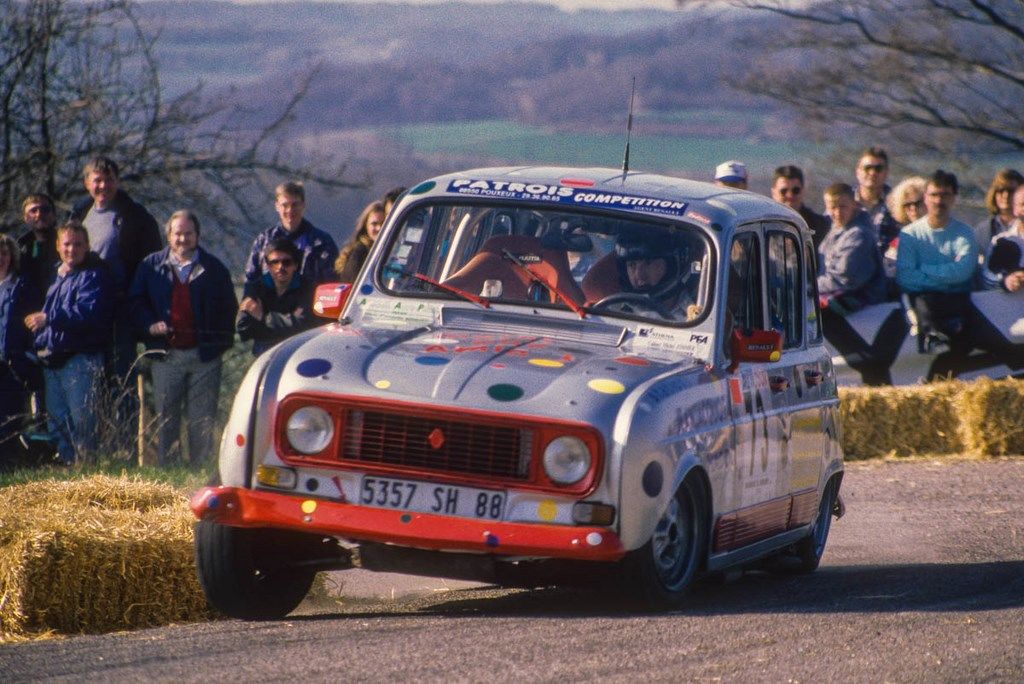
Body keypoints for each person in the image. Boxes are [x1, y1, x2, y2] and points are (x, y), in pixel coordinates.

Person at [129, 210, 238, 466]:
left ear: (197, 236)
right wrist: (149, 325)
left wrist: (217, 346)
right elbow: (134, 302)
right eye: (177, 233)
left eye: (188, 233)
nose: (183, 239)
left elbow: (228, 309)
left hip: (205, 357)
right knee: (167, 418)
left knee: (201, 419)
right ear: (168, 235)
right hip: (166, 356)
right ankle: (167, 472)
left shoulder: (214, 269)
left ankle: (199, 471)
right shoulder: (150, 267)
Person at [69, 156, 162, 448]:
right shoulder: (79, 214)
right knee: (90, 378)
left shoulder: (135, 216)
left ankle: (124, 446)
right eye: (97, 180)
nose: (103, 185)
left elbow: (152, 264)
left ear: (117, 182)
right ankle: (92, 447)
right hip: (87, 308)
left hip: (121, 308)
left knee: (121, 377)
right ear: (87, 183)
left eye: (108, 179)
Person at [24, 221, 114, 465]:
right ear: (57, 246)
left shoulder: (94, 276)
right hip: (53, 359)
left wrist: (48, 318)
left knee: (83, 420)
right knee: (58, 421)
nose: (71, 249)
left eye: (78, 244)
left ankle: (87, 470)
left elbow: (88, 313)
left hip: (80, 358)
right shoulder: (55, 275)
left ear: (87, 247)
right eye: (67, 244)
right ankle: (67, 469)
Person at [896, 170, 978, 373]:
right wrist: (947, 275)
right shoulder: (909, 235)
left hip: (958, 302)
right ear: (925, 197)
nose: (938, 200)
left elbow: (964, 272)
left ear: (954, 198)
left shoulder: (965, 233)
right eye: (934, 195)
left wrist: (923, 270)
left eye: (945, 195)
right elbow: (905, 277)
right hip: (924, 304)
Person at [817, 184, 895, 385]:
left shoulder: (859, 234)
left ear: (854, 204)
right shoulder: (836, 230)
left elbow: (844, 278)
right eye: (831, 207)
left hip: (861, 297)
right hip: (838, 293)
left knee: (818, 315)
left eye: (842, 206)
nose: (837, 213)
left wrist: (807, 286)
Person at [243, 181, 339, 294]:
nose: (290, 210)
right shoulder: (264, 241)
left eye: (295, 205)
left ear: (303, 205)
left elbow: (333, 283)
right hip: (272, 306)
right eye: (285, 205)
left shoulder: (321, 242)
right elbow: (251, 280)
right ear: (277, 206)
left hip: (311, 306)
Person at [237, 239, 316, 356]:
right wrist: (284, 323)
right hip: (263, 355)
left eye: (286, 262)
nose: (280, 267)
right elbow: (243, 326)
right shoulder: (256, 287)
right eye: (275, 262)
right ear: (268, 266)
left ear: (295, 265)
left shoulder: (309, 288)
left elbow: (302, 324)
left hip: (298, 352)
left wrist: (262, 319)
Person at [0, 234, 38, 462]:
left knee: (10, 419)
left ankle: (9, 465)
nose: (0, 259)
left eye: (4, 254)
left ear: (11, 256)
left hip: (12, 363)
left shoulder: (21, 286)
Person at [611, 231, 697, 321]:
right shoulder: (611, 310)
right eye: (632, 265)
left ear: (672, 266)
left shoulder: (699, 313)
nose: (639, 275)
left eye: (648, 263)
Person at [853, 146, 900, 255]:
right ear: (858, 171)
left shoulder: (898, 203)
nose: (872, 173)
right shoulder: (844, 201)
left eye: (878, 169)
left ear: (886, 172)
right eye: (867, 168)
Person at [771, 165, 829, 248]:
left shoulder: (819, 225)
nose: (790, 195)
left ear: (803, 191)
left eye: (795, 190)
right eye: (783, 191)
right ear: (773, 192)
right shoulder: (762, 223)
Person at [18, 193, 59, 300]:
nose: (39, 214)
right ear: (25, 218)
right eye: (33, 211)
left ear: (54, 215)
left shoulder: (68, 245)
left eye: (45, 210)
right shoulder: (21, 250)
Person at [973, 169, 1023, 254]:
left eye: (1011, 191)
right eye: (1001, 190)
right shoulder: (983, 230)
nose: (1005, 195)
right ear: (994, 193)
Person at [335, 200, 385, 283]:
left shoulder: (385, 249)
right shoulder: (359, 253)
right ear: (366, 226)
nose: (379, 228)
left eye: (383, 223)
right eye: (374, 224)